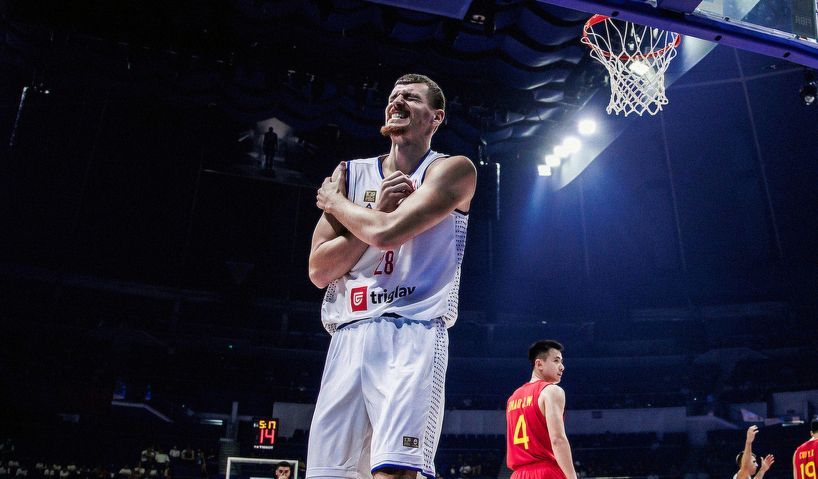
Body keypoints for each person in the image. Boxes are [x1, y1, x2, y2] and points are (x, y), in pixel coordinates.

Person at [306, 73, 477, 479]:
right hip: (347, 333)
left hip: (412, 332)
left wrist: (336, 204)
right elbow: (319, 269)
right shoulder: (352, 172)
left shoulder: (453, 170)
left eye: (411, 98)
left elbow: (388, 235)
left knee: (395, 474)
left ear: (436, 117)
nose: (397, 101)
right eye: (393, 96)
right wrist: (376, 214)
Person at [505, 340, 577, 479]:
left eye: (561, 362)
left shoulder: (512, 398)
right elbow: (557, 440)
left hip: (517, 475)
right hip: (545, 472)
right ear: (539, 364)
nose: (562, 367)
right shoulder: (551, 391)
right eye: (556, 361)